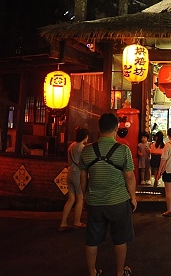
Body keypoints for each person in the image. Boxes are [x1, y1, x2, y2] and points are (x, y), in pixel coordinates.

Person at [79, 112, 136, 276]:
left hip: (94, 202)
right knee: (120, 238)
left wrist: (84, 196)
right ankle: (119, 272)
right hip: (118, 201)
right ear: (116, 128)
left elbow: (83, 176)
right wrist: (133, 197)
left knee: (92, 239)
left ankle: (92, 272)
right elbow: (130, 176)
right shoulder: (123, 150)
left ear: (99, 128)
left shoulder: (87, 150)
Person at [58, 127, 89, 232]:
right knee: (80, 199)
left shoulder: (71, 146)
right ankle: (77, 222)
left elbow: (69, 163)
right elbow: (85, 164)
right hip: (78, 175)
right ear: (85, 136)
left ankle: (63, 223)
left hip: (70, 173)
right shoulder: (83, 148)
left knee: (70, 199)